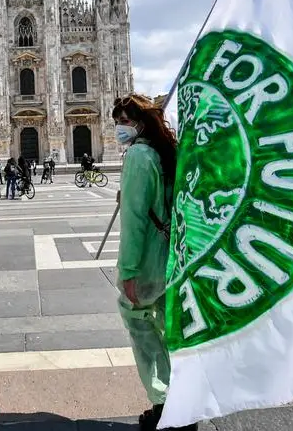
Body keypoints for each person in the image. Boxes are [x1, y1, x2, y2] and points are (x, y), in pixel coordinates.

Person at [111, 94, 187, 431]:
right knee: (170, 330)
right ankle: (183, 402)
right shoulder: (163, 152)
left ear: (139, 123)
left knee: (143, 331)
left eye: (123, 122)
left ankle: (162, 404)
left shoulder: (139, 157)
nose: (118, 128)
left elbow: (135, 221)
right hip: (171, 257)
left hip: (147, 263)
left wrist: (128, 272)